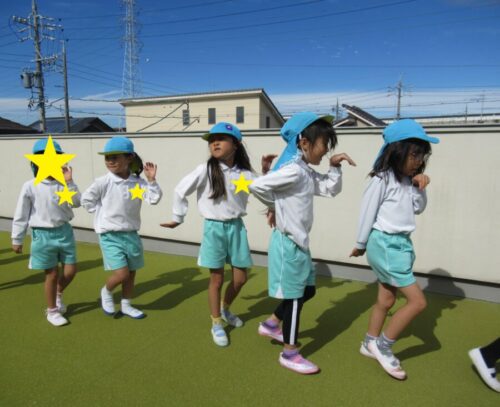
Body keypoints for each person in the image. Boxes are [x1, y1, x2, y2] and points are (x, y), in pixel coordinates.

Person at [250, 112, 355, 374]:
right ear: (304, 143)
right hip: (288, 243)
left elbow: (330, 188)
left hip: (299, 244)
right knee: (295, 298)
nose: (326, 150)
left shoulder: (305, 171)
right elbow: (257, 186)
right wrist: (277, 207)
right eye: (324, 144)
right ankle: (289, 353)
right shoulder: (294, 171)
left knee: (308, 291)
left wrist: (335, 166)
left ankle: (272, 324)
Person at [350, 119, 439, 380]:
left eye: (422, 156)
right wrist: (360, 243)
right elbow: (367, 212)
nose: (418, 161)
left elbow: (418, 208)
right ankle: (383, 346)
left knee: (386, 300)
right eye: (414, 155)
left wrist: (420, 188)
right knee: (418, 302)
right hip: (385, 244)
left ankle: (370, 342)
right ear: (396, 151)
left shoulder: (409, 181)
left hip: (400, 245)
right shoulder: (382, 179)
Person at [161, 122, 255, 347]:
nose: (215, 143)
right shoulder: (205, 169)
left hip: (237, 228)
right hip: (214, 229)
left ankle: (225, 309)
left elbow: (265, 190)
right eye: (212, 140)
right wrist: (178, 217)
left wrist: (268, 175)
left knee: (240, 279)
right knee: (217, 279)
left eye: (221, 139)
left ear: (236, 144)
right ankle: (216, 322)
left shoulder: (245, 173)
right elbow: (180, 190)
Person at [82, 136, 162, 319]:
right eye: (107, 157)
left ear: (129, 158)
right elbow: (87, 200)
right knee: (122, 274)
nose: (110, 161)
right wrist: (100, 213)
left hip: (131, 234)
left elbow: (154, 199)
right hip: (110, 235)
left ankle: (126, 305)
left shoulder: (138, 182)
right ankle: (106, 291)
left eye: (115, 157)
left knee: (131, 273)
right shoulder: (103, 182)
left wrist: (151, 180)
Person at [11, 138, 80, 327]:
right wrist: (17, 238)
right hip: (42, 235)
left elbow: (77, 203)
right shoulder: (30, 185)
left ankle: (58, 294)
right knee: (51, 274)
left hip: (65, 232)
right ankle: (52, 311)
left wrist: (70, 182)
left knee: (71, 271)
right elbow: (21, 213)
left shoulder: (64, 183)